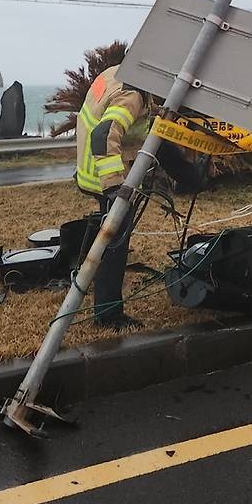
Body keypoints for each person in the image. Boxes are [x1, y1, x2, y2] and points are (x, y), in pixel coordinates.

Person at [76, 65, 152, 330]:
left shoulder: (115, 72)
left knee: (106, 239)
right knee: (114, 246)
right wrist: (115, 189)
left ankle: (90, 284)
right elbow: (103, 135)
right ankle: (108, 314)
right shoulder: (133, 95)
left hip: (89, 170)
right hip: (107, 177)